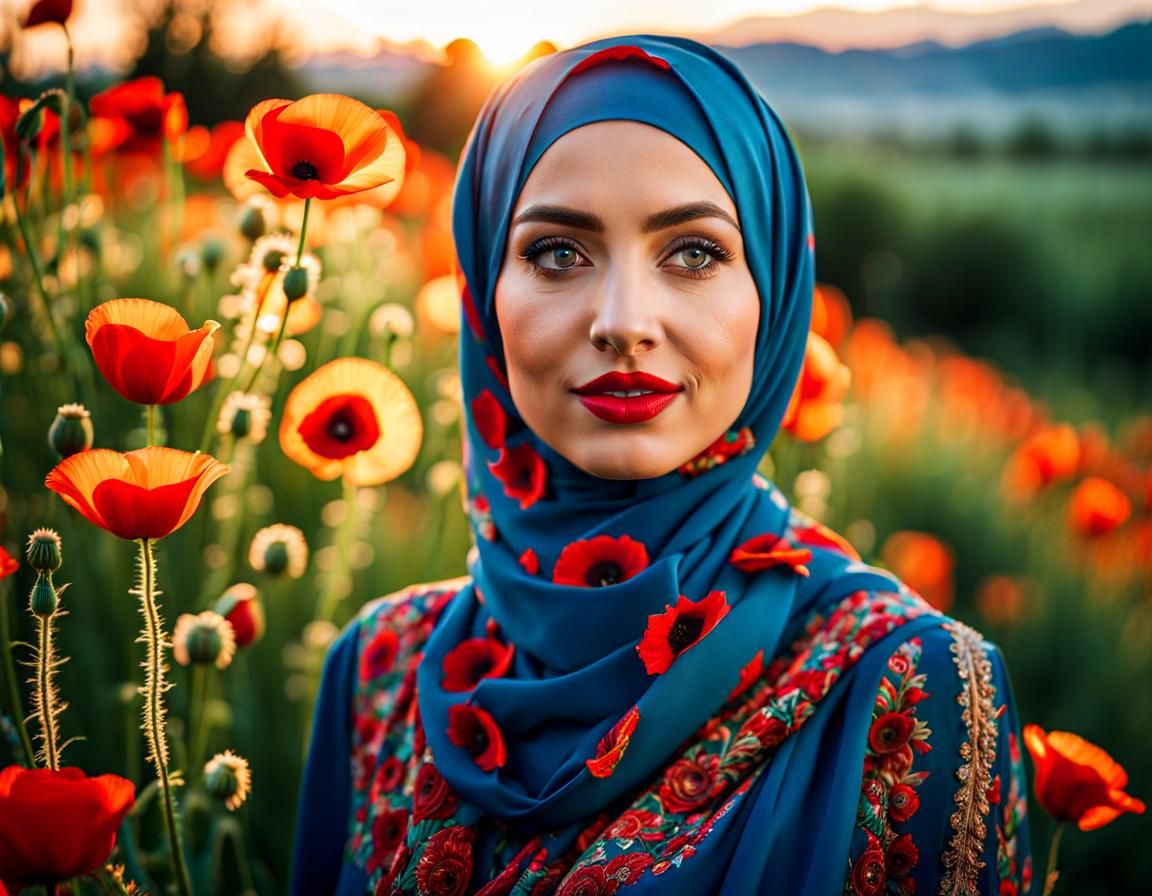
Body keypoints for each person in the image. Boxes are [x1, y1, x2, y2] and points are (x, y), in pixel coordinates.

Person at [289, 34, 1034, 895]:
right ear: (482, 295)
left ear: (777, 290)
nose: (623, 321)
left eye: (695, 253)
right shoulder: (378, 672)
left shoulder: (904, 687)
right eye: (557, 253)